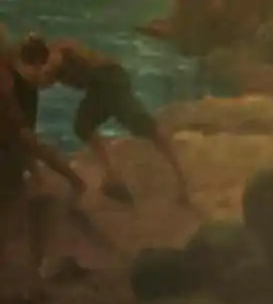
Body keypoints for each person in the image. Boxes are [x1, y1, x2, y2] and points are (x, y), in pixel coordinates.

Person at [13, 34, 189, 205]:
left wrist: (24, 70)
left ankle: (181, 178)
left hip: (111, 80)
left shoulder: (56, 54)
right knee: (82, 126)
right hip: (98, 87)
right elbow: (42, 81)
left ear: (38, 60)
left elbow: (46, 73)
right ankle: (113, 177)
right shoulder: (52, 60)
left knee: (145, 127)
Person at [0, 30, 84, 290]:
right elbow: (27, 140)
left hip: (11, 151)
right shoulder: (13, 88)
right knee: (31, 206)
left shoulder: (17, 84)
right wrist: (71, 177)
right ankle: (27, 280)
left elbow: (23, 139)